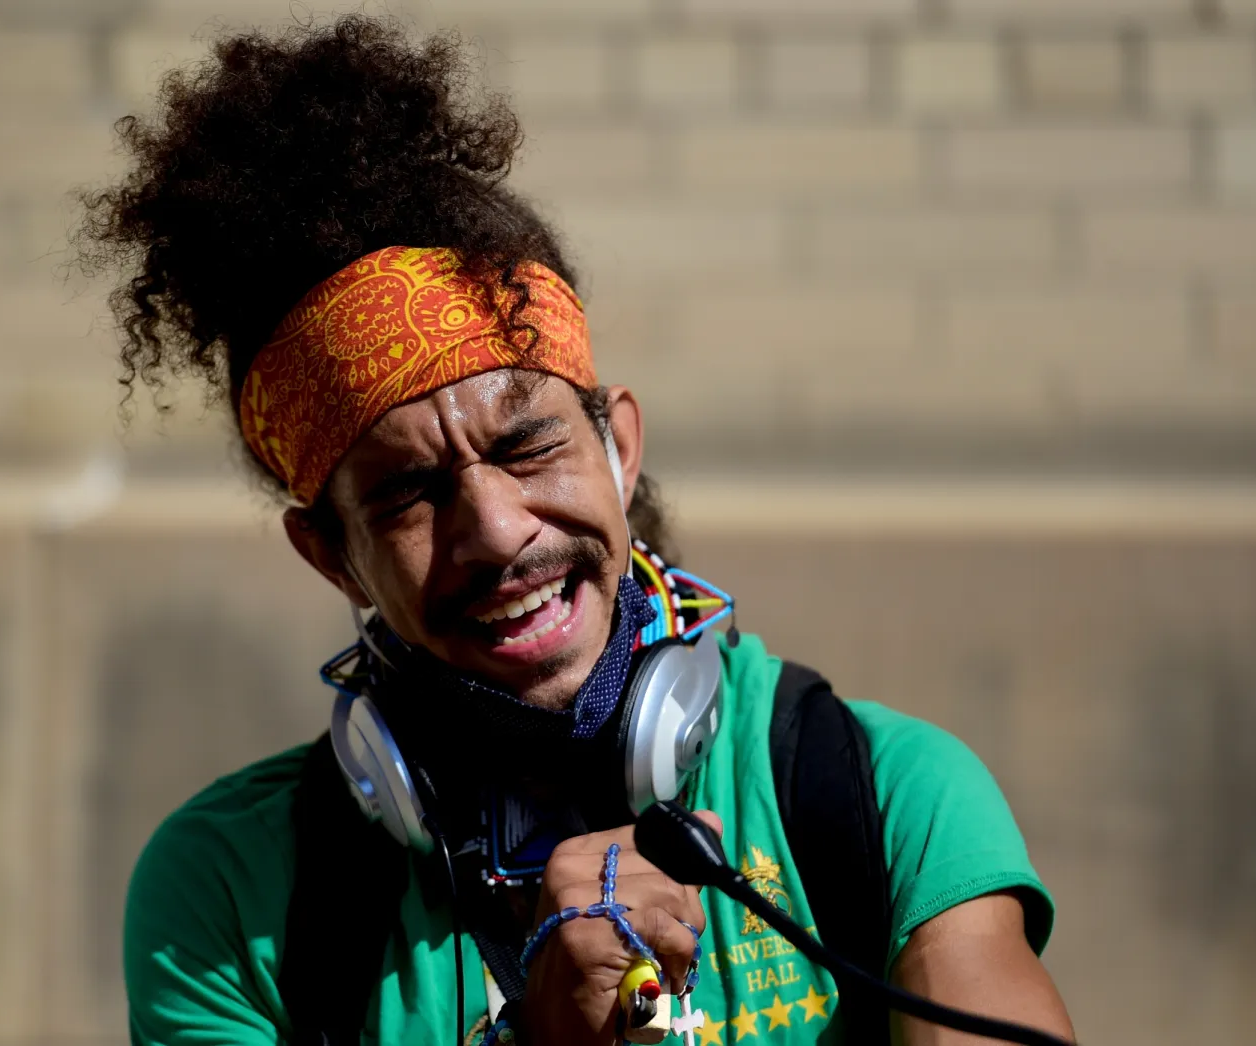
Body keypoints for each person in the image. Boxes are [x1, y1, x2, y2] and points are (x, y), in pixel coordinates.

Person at [78, 15, 1075, 1046]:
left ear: (619, 447)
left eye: (527, 447)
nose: (498, 530)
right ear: (331, 555)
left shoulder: (883, 792)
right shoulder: (227, 898)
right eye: (410, 492)